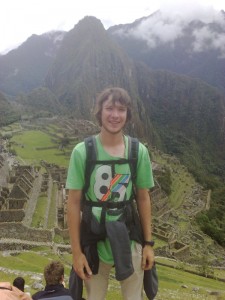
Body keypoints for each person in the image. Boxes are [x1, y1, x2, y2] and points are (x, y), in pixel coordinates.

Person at [66, 87, 155, 300]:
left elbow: (143, 198)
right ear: (100, 112)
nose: (115, 115)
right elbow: (73, 203)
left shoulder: (137, 151)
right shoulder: (82, 152)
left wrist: (148, 244)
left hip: (129, 235)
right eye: (109, 108)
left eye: (121, 110)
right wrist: (76, 253)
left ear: (128, 114)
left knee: (134, 296)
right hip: (93, 238)